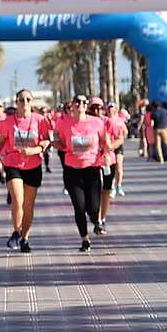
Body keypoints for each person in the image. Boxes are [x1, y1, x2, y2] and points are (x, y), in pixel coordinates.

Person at [0, 89, 52, 253]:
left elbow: (47, 142)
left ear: (32, 102)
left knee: (28, 206)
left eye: (28, 100)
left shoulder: (40, 120)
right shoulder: (8, 122)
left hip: (33, 166)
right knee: (17, 199)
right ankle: (16, 231)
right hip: (13, 165)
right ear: (16, 103)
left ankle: (25, 237)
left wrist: (35, 150)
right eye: (21, 100)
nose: (25, 103)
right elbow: (1, 141)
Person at [54, 94, 108, 252]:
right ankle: (85, 239)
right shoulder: (64, 123)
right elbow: (58, 139)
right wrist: (57, 145)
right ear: (72, 105)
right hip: (72, 170)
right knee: (79, 206)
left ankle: (96, 221)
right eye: (78, 102)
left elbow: (105, 141)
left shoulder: (96, 122)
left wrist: (107, 152)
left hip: (92, 168)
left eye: (84, 102)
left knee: (93, 207)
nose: (81, 105)